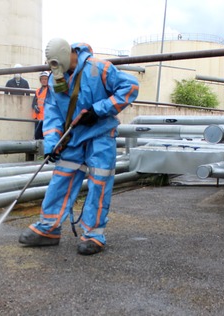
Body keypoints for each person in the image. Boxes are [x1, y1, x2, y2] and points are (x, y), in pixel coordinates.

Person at [18, 38, 139, 255]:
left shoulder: (99, 69)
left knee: (99, 182)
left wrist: (98, 110)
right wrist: (52, 144)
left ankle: (93, 235)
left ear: (68, 54)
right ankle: (48, 228)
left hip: (101, 135)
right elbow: (53, 111)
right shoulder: (58, 77)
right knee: (61, 179)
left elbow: (130, 86)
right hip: (73, 137)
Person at [31, 71, 49, 139]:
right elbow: (33, 103)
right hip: (38, 117)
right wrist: (35, 106)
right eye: (42, 79)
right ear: (40, 80)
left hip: (46, 118)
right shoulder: (38, 91)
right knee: (37, 136)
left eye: (45, 79)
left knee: (45, 136)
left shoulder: (50, 90)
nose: (44, 81)